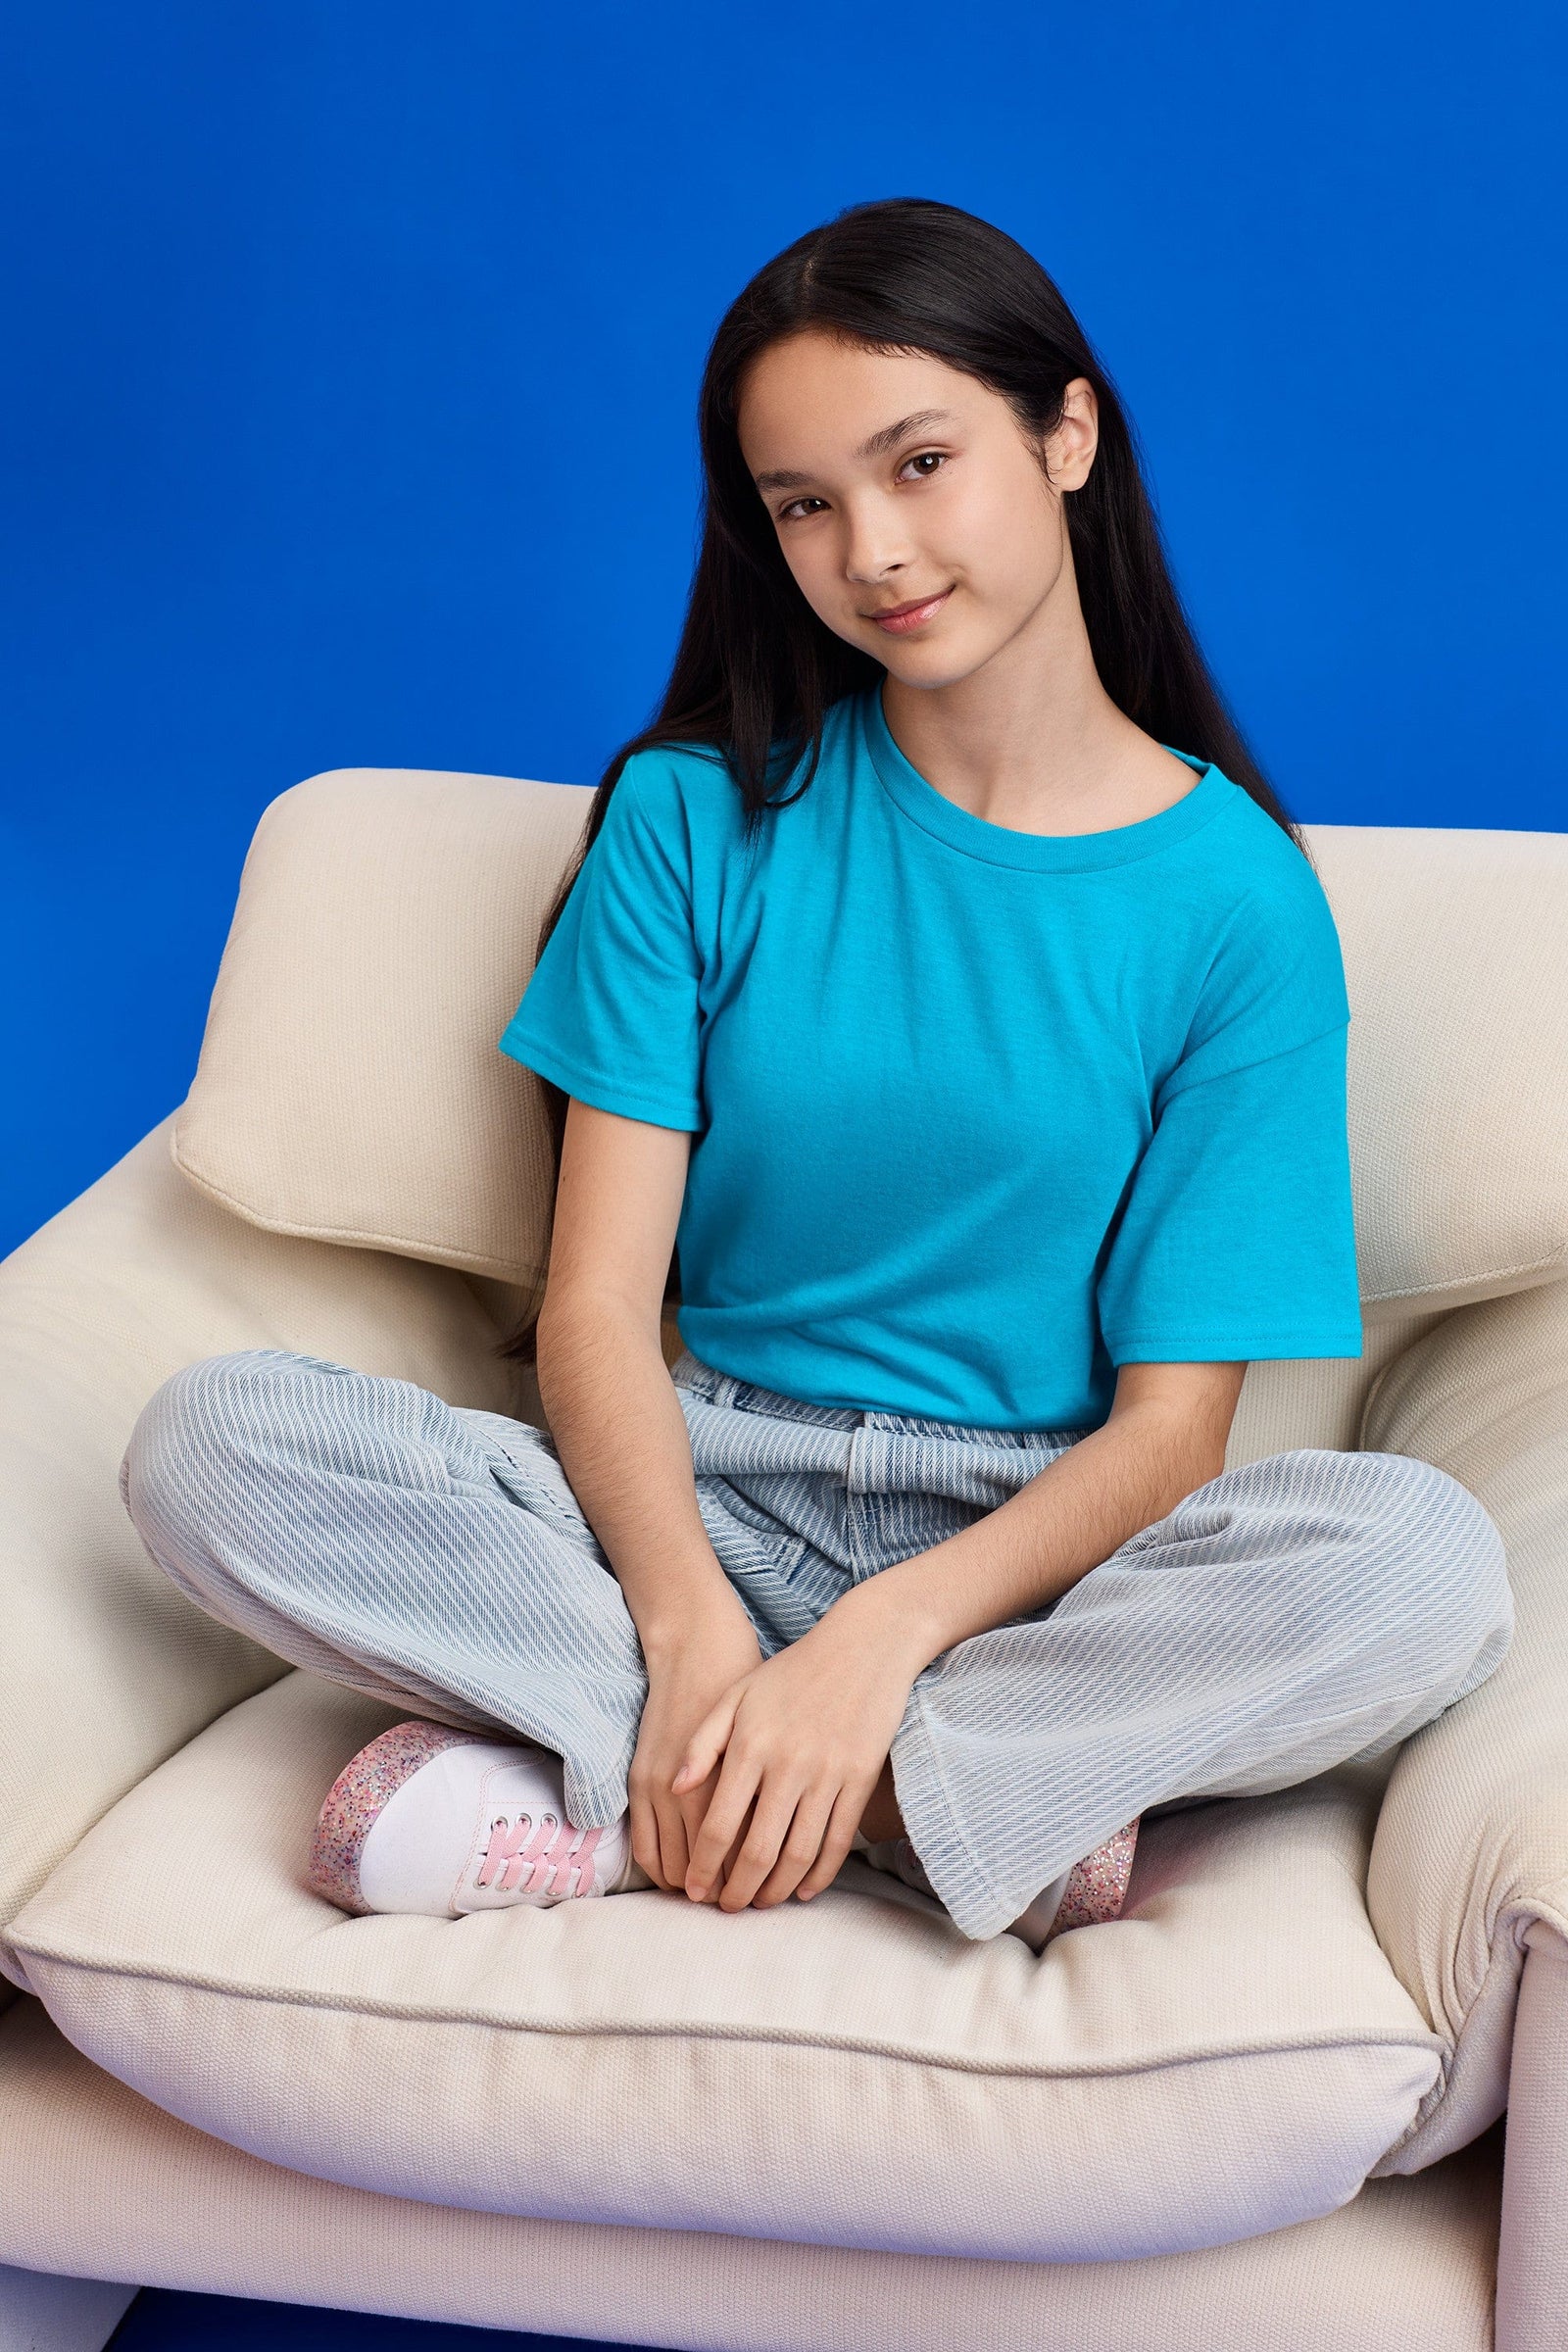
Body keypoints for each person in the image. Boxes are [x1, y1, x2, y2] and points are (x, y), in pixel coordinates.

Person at [120, 197, 1514, 1954]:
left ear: (1066, 433)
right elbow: (597, 1312)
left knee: (1423, 1567)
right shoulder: (693, 822)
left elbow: (1175, 1434)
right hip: (681, 1498)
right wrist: (696, 1619)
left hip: (1023, 1566)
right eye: (805, 504)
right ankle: (938, 1815)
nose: (872, 549)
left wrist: (879, 1644)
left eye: (920, 462)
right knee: (211, 1443)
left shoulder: (1237, 904)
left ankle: (672, 1803)